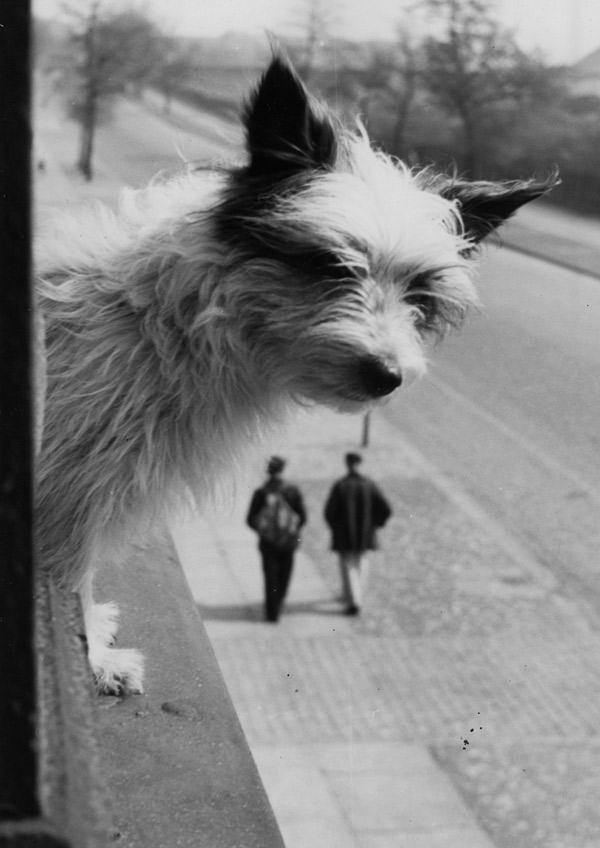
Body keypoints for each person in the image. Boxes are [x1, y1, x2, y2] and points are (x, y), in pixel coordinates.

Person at [324, 452, 391, 615]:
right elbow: (385, 509)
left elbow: (329, 512)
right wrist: (376, 524)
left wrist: (336, 528)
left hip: (345, 534)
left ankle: (354, 600)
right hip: (365, 534)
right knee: (361, 564)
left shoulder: (340, 485)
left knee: (349, 567)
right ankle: (356, 596)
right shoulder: (369, 485)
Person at [247, 456, 307, 622]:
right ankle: (278, 603)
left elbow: (250, 519)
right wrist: (290, 528)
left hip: (268, 544)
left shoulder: (261, 493)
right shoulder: (292, 492)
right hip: (288, 543)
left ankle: (272, 613)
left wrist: (265, 530)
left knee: (270, 578)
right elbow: (302, 517)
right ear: (283, 470)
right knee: (284, 577)